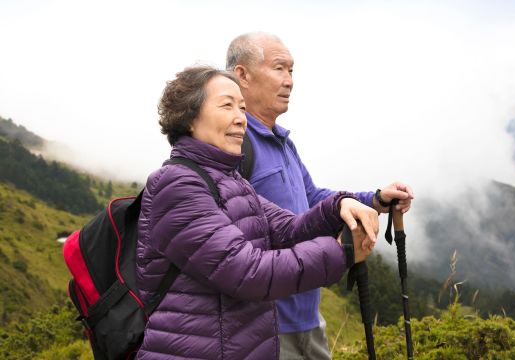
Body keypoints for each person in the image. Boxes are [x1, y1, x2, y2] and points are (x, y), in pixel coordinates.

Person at [135, 65, 378, 360]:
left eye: (242, 107)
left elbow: (289, 230)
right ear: (189, 117)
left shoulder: (230, 180)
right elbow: (248, 273)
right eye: (227, 106)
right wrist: (341, 254)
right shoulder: (176, 185)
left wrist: (338, 206)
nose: (241, 119)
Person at [226, 32, 414, 359]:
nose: (289, 81)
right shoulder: (235, 146)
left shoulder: (281, 141)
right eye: (279, 68)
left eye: (292, 71)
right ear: (242, 75)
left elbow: (312, 197)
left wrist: (376, 200)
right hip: (265, 327)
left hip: (308, 319)